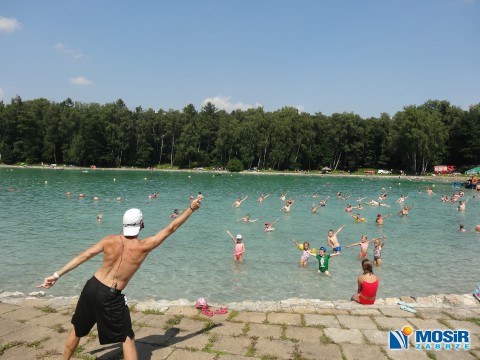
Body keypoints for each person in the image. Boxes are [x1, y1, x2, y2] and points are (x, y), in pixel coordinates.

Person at [37, 197, 202, 360]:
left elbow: (83, 256)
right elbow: (171, 228)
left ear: (124, 225)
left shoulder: (109, 239)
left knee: (78, 328)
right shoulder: (144, 246)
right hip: (110, 294)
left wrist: (56, 275)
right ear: (141, 225)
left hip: (91, 286)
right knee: (126, 337)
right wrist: (191, 208)